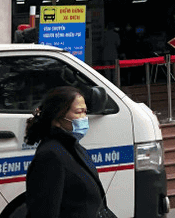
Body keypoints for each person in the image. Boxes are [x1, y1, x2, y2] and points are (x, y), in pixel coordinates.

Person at [24, 86, 114, 218]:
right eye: (78, 112)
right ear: (57, 118)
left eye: (85, 111)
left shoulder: (73, 147)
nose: (84, 117)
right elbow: (44, 211)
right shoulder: (50, 156)